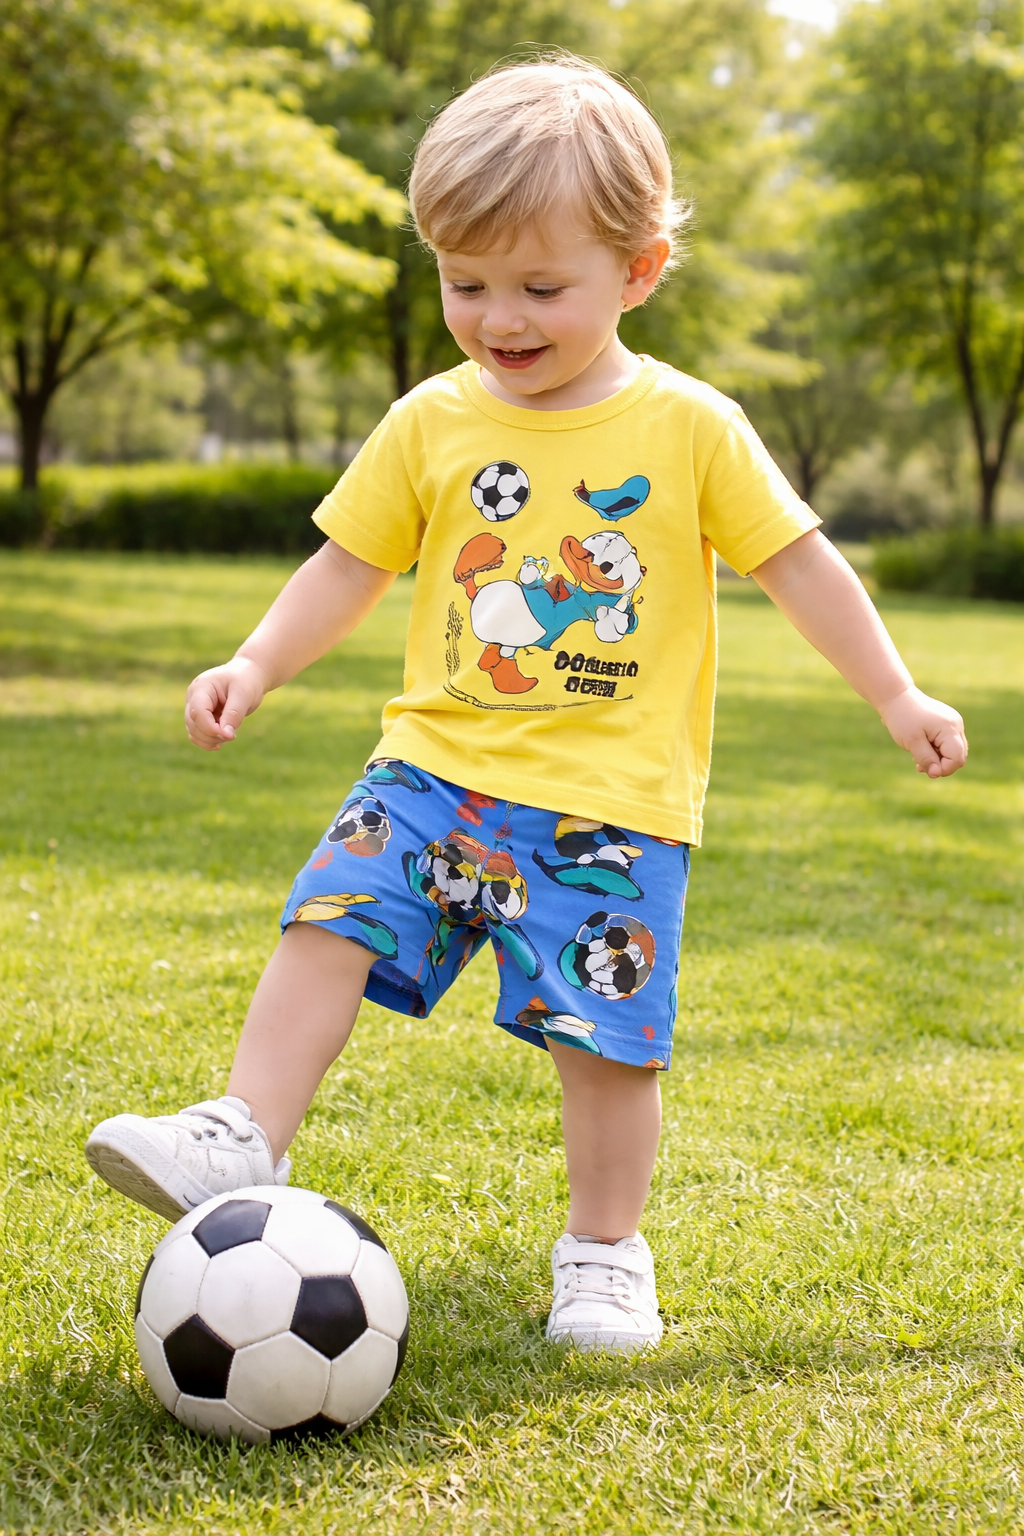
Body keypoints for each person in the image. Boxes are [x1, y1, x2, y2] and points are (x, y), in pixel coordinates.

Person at [85, 57, 968, 1353]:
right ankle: (239, 1132)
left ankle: (605, 1251)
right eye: (466, 282)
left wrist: (893, 690)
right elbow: (349, 561)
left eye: (540, 287)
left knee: (608, 1044)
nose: (499, 316)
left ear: (640, 270)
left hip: (613, 802)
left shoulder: (691, 426)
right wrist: (258, 661)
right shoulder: (430, 421)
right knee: (328, 917)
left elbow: (798, 562)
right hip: (433, 765)